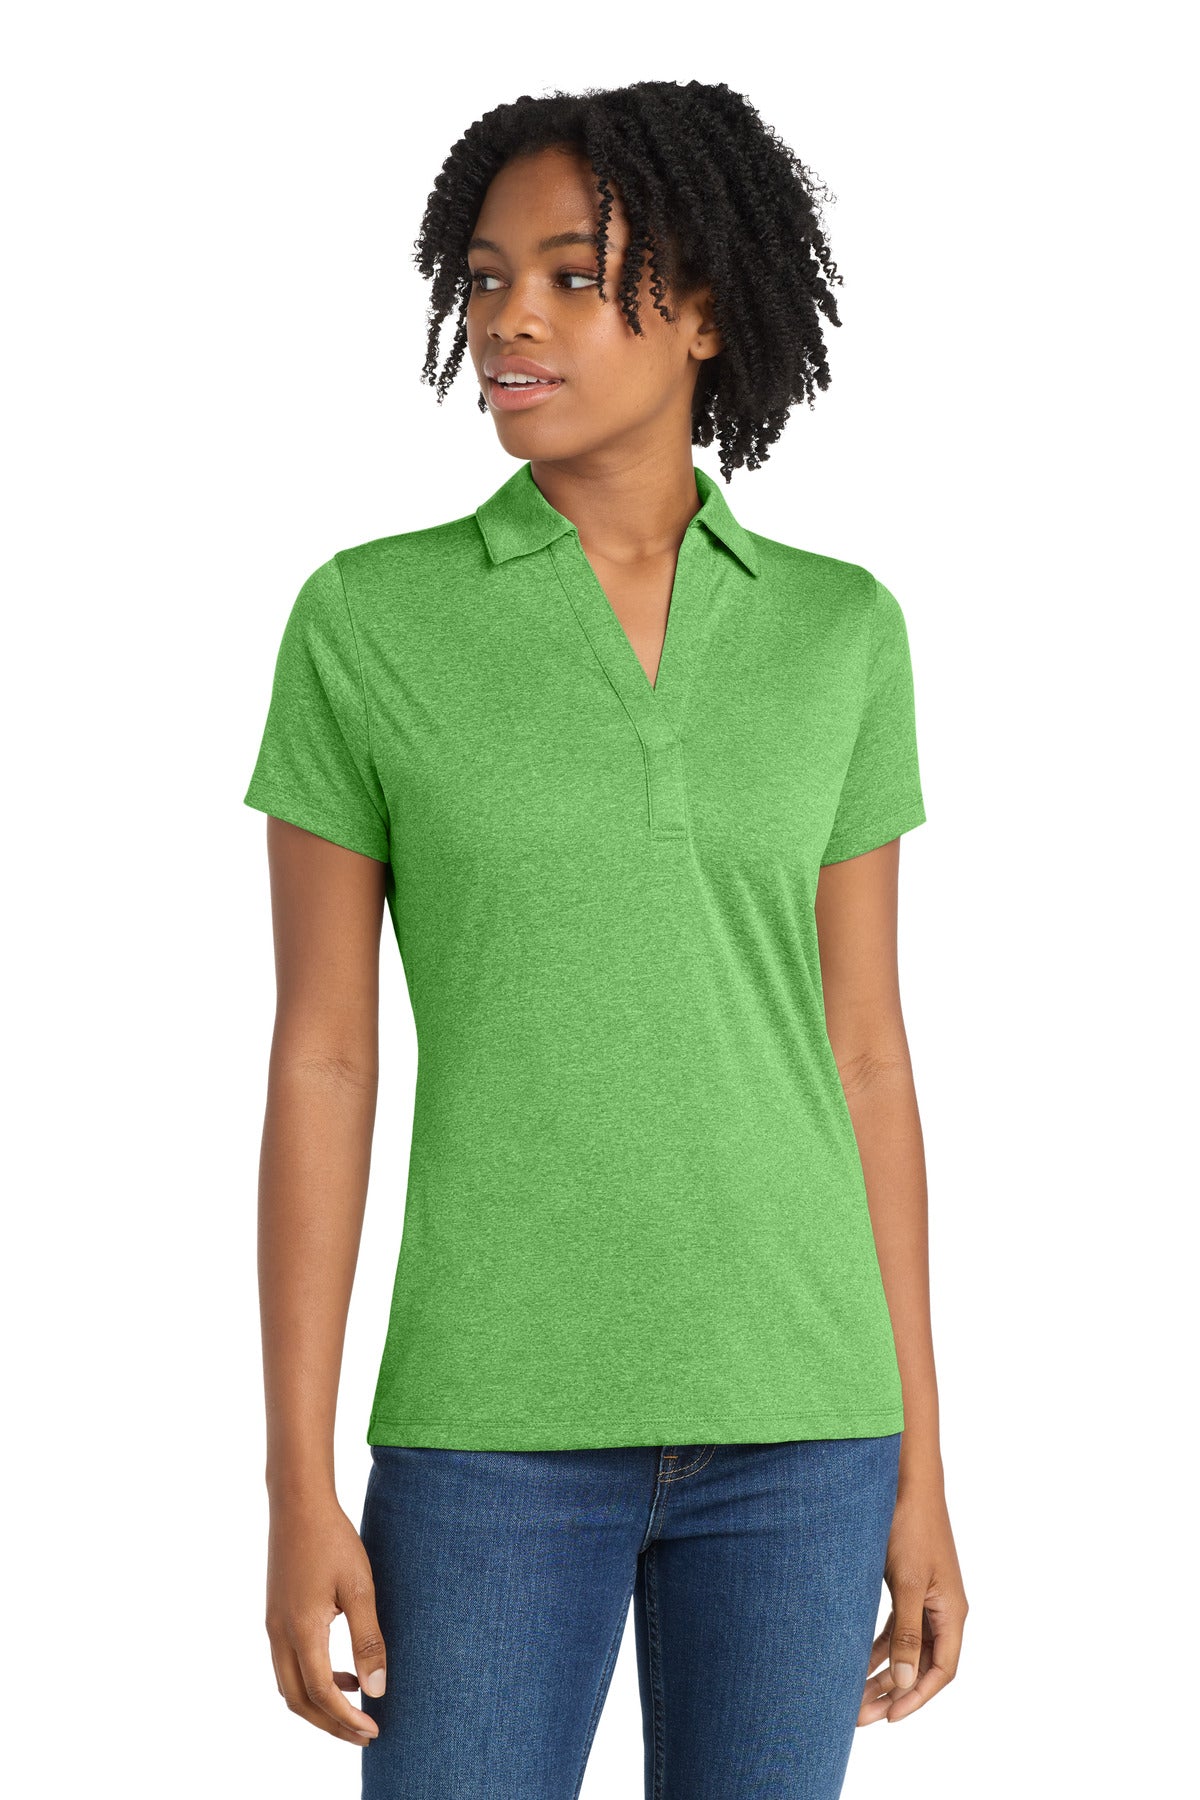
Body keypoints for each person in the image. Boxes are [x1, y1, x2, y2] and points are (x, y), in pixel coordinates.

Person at [245, 79, 968, 1800]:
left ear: (707, 310)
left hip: (806, 1426)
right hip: (487, 1429)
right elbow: (324, 1056)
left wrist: (924, 1468)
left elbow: (865, 1052)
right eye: (488, 279)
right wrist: (294, 1480)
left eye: (574, 278)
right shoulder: (368, 621)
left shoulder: (839, 633)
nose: (511, 320)